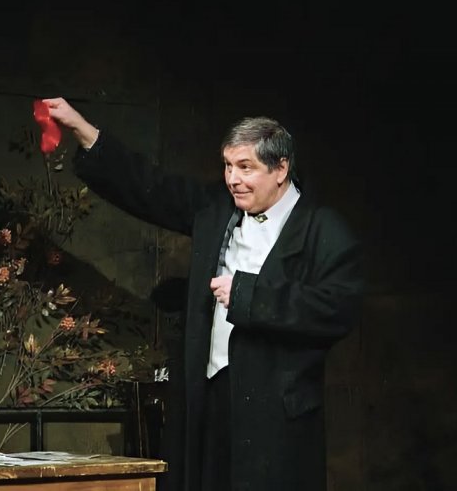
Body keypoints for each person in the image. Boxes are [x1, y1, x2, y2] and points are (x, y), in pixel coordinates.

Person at [43, 97, 363, 491]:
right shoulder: (219, 209)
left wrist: (247, 295)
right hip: (211, 397)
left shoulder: (321, 229)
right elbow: (152, 189)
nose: (233, 179)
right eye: (228, 166)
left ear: (281, 169)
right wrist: (83, 130)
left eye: (245, 167)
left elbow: (337, 308)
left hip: (275, 414)